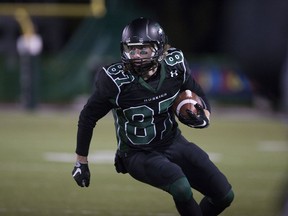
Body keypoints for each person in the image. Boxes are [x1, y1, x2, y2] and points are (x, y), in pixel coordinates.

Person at [72, 17, 234, 216]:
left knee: (224, 195)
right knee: (180, 186)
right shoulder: (115, 81)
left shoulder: (175, 65)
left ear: (159, 49)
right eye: (132, 50)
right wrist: (81, 161)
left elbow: (195, 90)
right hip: (136, 153)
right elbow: (88, 117)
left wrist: (204, 115)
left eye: (143, 50)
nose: (136, 56)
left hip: (173, 142)